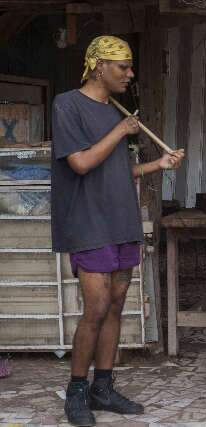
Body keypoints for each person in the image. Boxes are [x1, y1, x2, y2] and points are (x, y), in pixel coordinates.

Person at [51, 35, 184, 426]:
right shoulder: (68, 104)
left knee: (116, 304)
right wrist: (121, 130)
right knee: (94, 306)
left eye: (129, 66)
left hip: (122, 219)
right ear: (98, 67)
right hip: (88, 221)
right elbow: (79, 163)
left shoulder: (115, 111)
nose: (129, 73)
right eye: (122, 66)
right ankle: (77, 390)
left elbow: (117, 171)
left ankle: (103, 388)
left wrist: (158, 166)